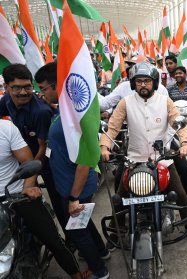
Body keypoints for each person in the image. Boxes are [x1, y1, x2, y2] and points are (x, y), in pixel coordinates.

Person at [100, 62, 187, 244]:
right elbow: (112, 128)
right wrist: (104, 147)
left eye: (147, 81)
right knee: (119, 196)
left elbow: (178, 122)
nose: (143, 85)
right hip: (134, 158)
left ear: (154, 83)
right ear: (133, 83)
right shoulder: (126, 102)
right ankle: (117, 231)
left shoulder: (165, 101)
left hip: (162, 158)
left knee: (180, 192)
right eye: (139, 81)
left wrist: (185, 143)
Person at [40, 63, 111, 279]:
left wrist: (73, 197)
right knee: (84, 223)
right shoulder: (64, 110)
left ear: (56, 86)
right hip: (69, 184)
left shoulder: (71, 120)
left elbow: (85, 161)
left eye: (43, 88)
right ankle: (102, 251)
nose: (41, 93)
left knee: (77, 232)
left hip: (76, 186)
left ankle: (100, 271)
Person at [0, 119, 81, 279]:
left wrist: (27, 188)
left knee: (53, 241)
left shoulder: (5, 128)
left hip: (16, 195)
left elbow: (28, 161)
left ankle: (77, 276)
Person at [0, 64, 68, 243]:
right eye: (16, 88)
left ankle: (69, 242)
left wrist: (30, 177)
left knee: (61, 205)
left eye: (28, 87)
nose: (23, 92)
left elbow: (42, 148)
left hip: (47, 162)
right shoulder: (6, 101)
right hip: (24, 160)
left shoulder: (40, 111)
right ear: (6, 87)